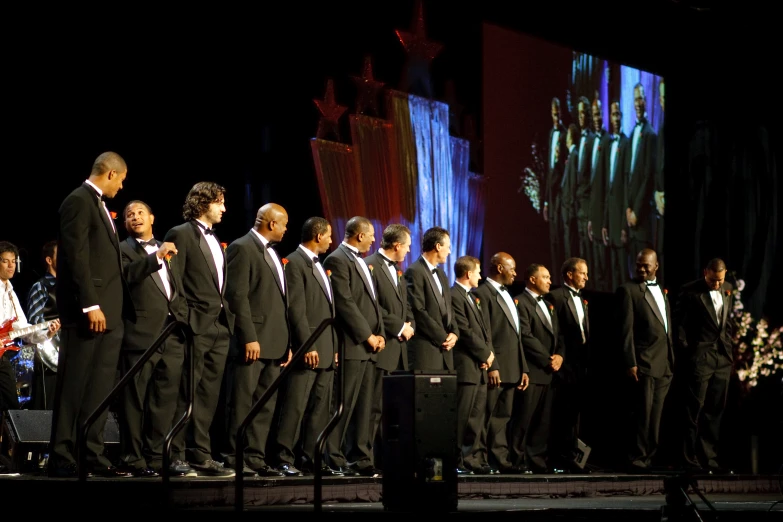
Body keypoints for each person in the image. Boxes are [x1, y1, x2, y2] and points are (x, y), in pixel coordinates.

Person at [48, 151, 131, 478]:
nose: (122, 187)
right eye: (122, 180)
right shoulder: (78, 201)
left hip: (110, 314)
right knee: (74, 387)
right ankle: (61, 456)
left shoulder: (98, 205)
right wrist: (90, 304)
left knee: (99, 389)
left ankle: (91, 455)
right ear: (111, 174)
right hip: (88, 312)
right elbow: (76, 256)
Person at [163, 181, 235, 477]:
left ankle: (200, 455)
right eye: (219, 202)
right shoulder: (180, 233)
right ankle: (176, 453)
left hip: (218, 327)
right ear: (204, 203)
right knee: (186, 392)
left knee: (207, 395)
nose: (224, 208)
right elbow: (173, 281)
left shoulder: (216, 239)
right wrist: (186, 319)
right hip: (195, 326)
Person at [117, 200, 184, 478]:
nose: (135, 217)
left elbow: (179, 287)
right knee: (134, 401)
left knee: (164, 400)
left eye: (140, 212)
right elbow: (126, 277)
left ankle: (156, 457)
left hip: (172, 334)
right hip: (141, 335)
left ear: (152, 217)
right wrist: (155, 258)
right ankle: (132, 459)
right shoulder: (121, 250)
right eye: (129, 215)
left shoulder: (169, 249)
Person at [223, 203, 291, 478]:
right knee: (241, 402)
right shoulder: (242, 247)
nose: (287, 229)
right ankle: (234, 456)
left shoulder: (274, 253)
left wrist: (287, 344)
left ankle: (254, 456)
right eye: (284, 224)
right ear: (271, 223)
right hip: (252, 343)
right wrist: (248, 337)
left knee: (264, 406)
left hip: (274, 344)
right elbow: (236, 296)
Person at [274, 217, 342, 476]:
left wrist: (333, 346)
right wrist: (306, 344)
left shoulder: (320, 264)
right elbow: (296, 309)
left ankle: (311, 458)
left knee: (319, 409)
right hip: (309, 350)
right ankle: (283, 457)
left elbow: (327, 311)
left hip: (325, 349)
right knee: (295, 406)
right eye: (328, 236)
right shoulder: (294, 262)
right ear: (317, 234)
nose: (331, 240)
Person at [323, 216, 385, 476]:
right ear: (360, 236)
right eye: (371, 235)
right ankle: (332, 457)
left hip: (369, 348)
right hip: (352, 344)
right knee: (343, 404)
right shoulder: (337, 259)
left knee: (364, 407)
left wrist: (379, 333)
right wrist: (367, 335)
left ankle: (359, 457)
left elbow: (371, 302)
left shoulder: (360, 261)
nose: (374, 240)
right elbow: (345, 302)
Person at [362, 224, 415, 474]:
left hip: (399, 351)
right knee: (373, 409)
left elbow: (405, 305)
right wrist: (398, 327)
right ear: (397, 246)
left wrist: (410, 324)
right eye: (407, 246)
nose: (408, 250)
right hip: (382, 348)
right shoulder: (370, 264)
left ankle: (389, 463)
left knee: (392, 412)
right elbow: (372, 307)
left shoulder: (398, 271)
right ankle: (368, 460)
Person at [675, 258, 734, 474]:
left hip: (722, 359)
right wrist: (689, 352)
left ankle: (709, 459)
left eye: (719, 280)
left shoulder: (728, 289)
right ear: (705, 273)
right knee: (694, 410)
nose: (716, 285)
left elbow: (726, 324)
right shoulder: (690, 291)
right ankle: (688, 459)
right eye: (712, 280)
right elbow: (679, 325)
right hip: (700, 357)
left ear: (725, 274)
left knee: (715, 411)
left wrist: (730, 350)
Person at [617, 248, 673, 472]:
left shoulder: (662, 290)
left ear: (656, 267)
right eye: (638, 264)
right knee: (643, 414)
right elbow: (625, 331)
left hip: (665, 363)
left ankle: (650, 457)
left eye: (645, 265)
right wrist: (630, 362)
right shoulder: (628, 290)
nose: (640, 268)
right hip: (644, 362)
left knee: (656, 416)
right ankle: (638, 459)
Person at [474, 252, 529, 474]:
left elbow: (517, 335)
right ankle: (479, 460)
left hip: (513, 368)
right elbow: (485, 333)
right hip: (495, 368)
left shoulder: (509, 294)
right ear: (498, 268)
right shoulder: (482, 293)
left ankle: (500, 460)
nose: (516, 273)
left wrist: (523, 367)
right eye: (512, 268)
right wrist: (492, 365)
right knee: (485, 417)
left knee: (502, 418)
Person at [1, 242, 60, 413]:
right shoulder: (40, 287)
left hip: (3, 356)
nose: (12, 265)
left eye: (14, 261)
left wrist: (47, 333)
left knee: (11, 404)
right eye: (6, 261)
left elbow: (23, 327)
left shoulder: (11, 293)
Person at [512, 263, 560, 473]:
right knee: (523, 419)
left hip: (549, 372)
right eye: (546, 277)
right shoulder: (520, 302)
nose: (550, 281)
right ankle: (517, 461)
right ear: (532, 279)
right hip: (532, 369)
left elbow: (559, 336)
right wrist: (547, 358)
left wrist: (560, 356)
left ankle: (537, 461)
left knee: (543, 421)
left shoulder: (549, 304)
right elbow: (525, 335)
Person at [450, 255, 495, 475]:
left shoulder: (472, 297)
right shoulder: (453, 295)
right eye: (478, 272)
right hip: (466, 366)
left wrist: (487, 356)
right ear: (468, 274)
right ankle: (456, 459)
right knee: (462, 416)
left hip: (479, 367)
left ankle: (470, 459)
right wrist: (484, 353)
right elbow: (464, 331)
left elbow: (482, 331)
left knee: (476, 418)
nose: (480, 276)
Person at [549, 257, 590, 473]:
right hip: (564, 365)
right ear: (569, 274)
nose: (586, 277)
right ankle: (559, 458)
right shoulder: (555, 296)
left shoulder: (582, 298)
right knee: (562, 414)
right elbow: (555, 333)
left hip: (580, 365)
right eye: (582, 273)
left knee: (575, 414)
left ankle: (573, 457)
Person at [404, 226, 458, 371]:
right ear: (438, 246)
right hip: (426, 350)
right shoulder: (414, 271)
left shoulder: (442, 274)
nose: (450, 251)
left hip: (445, 351)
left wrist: (454, 332)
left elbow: (449, 307)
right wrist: (442, 337)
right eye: (448, 247)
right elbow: (418, 310)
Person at [25, 240, 59, 410]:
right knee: (47, 409)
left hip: (70, 355)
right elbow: (34, 324)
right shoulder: (40, 287)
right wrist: (52, 329)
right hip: (49, 358)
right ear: (49, 260)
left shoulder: (71, 286)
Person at [626, 84, 658, 260]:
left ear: (645, 101)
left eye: (640, 98)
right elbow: (628, 176)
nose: (637, 103)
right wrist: (627, 208)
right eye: (635, 99)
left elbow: (648, 178)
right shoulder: (632, 134)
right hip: (631, 220)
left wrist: (636, 212)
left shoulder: (651, 135)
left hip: (642, 220)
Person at [602, 101, 630, 291]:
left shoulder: (626, 143)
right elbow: (607, 189)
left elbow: (626, 188)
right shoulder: (609, 143)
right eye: (613, 114)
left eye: (618, 114)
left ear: (622, 116)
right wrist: (604, 223)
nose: (616, 118)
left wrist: (623, 226)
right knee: (611, 270)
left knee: (622, 271)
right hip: (609, 221)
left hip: (620, 219)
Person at [587, 99, 611, 292]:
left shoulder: (608, 141)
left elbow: (606, 187)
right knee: (594, 267)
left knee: (604, 268)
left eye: (598, 114)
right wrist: (590, 218)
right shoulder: (591, 141)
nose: (596, 118)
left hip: (605, 215)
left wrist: (604, 221)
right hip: (593, 215)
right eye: (594, 114)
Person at [543, 97, 566, 269]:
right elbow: (548, 170)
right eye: (553, 113)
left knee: (560, 238)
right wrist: (545, 201)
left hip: (561, 193)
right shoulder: (551, 133)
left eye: (558, 112)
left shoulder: (565, 134)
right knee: (552, 239)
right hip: (551, 194)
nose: (556, 115)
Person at [575, 96, 595, 267]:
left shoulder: (592, 139)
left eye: (584, 113)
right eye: (579, 113)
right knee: (582, 251)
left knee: (590, 255)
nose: (582, 117)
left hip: (589, 204)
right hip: (579, 204)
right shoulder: (580, 139)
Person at [560, 124, 580, 260]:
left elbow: (573, 184)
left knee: (571, 248)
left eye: (567, 135)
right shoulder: (570, 155)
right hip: (566, 209)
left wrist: (570, 209)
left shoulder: (574, 155)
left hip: (570, 210)